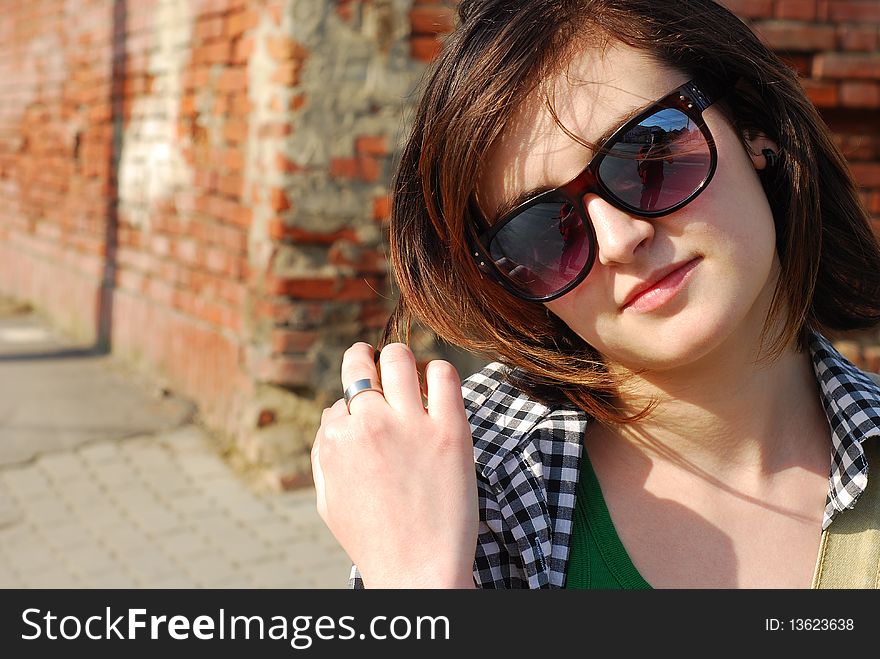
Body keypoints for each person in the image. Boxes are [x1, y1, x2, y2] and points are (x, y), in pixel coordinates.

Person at [310, 0, 880, 589]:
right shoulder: (463, 485)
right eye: (541, 231)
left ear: (752, 125)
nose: (619, 240)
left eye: (649, 156)